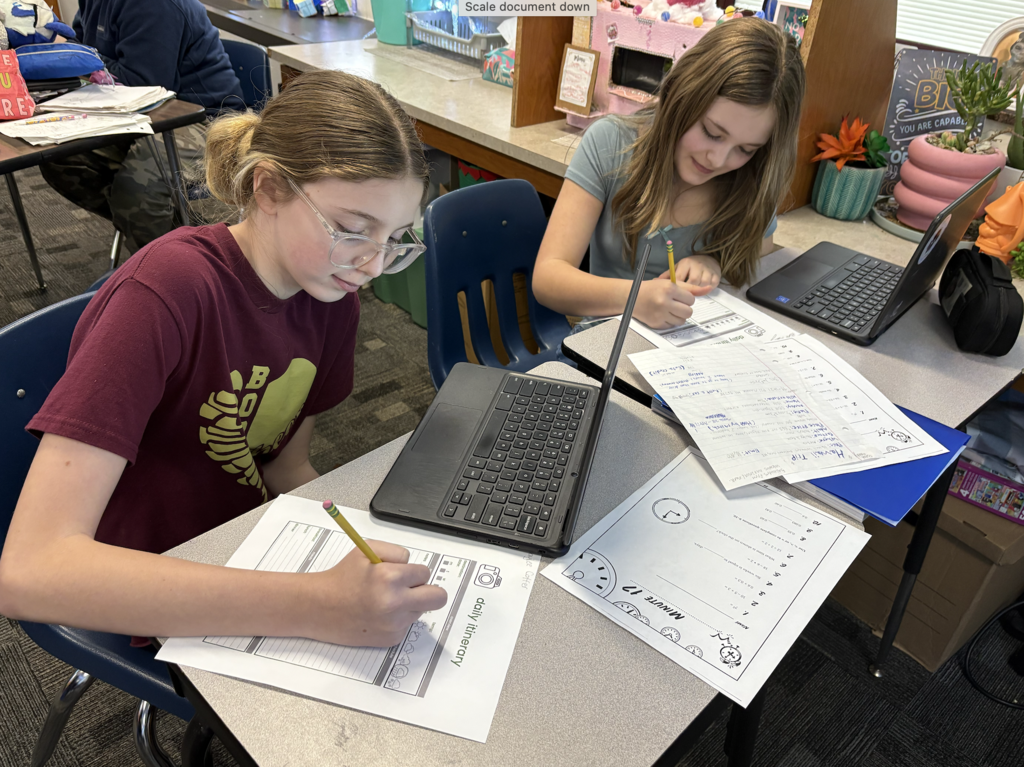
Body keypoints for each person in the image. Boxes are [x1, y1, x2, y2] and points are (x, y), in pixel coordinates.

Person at [0, 70, 447, 648]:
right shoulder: (166, 291)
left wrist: (369, 555)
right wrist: (318, 606)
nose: (373, 265)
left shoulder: (331, 296)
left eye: (395, 239)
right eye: (352, 229)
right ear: (269, 189)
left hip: (250, 545)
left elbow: (285, 467)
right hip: (148, 579)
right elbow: (29, 571)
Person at [533, 19, 806, 330]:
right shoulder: (610, 143)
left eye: (745, 149)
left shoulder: (753, 178)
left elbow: (759, 261)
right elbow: (548, 279)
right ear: (680, 94)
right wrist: (636, 298)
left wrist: (714, 262)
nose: (717, 159)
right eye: (711, 132)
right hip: (607, 342)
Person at [39, 0, 246, 253]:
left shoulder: (155, 5)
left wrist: (78, 56)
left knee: (140, 188)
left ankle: (175, 259)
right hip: (139, 114)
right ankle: (186, 243)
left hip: (206, 120)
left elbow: (143, 84)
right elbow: (82, 48)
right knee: (61, 158)